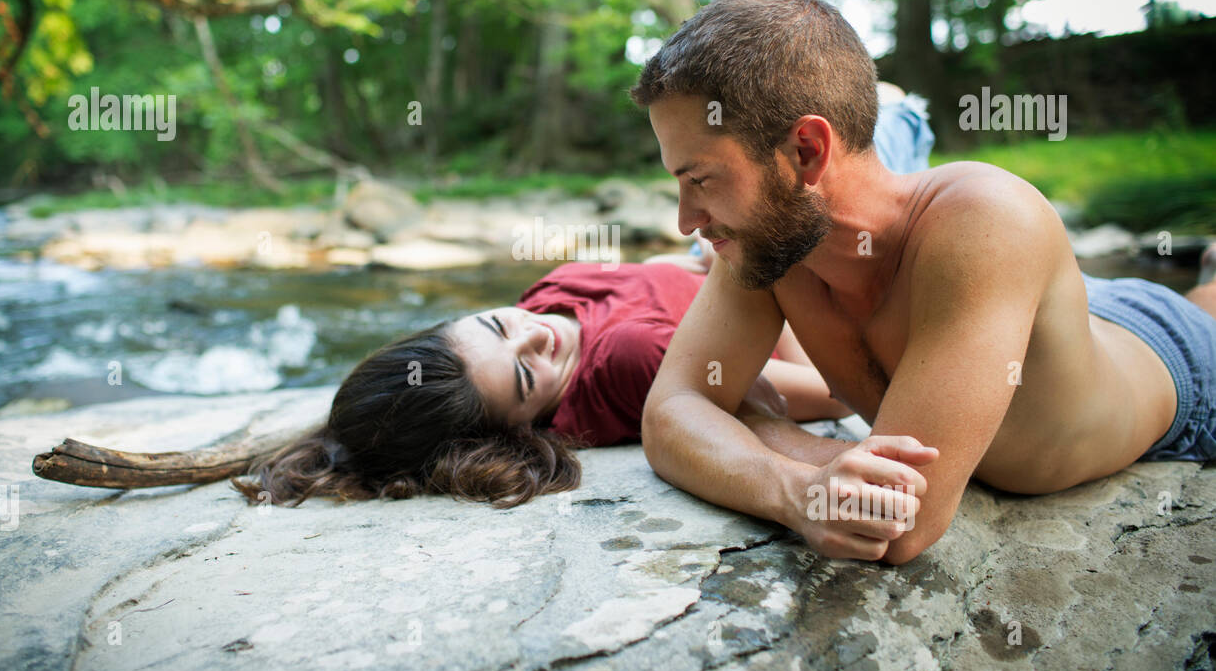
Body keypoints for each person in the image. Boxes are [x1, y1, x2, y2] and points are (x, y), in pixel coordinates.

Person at [631, 0, 1216, 566]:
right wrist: (795, 491)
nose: (686, 222)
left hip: (1169, 354)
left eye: (700, 180)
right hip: (1021, 312)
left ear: (806, 151)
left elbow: (899, 521)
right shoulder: (771, 244)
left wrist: (751, 420)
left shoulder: (986, 222)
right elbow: (668, 416)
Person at [233, 94, 940, 510]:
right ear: (519, 428)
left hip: (724, 250)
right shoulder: (628, 367)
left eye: (495, 326)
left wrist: (698, 253)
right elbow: (821, 390)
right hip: (789, 267)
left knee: (829, 120)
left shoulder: (546, 299)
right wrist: (770, 273)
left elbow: (648, 281)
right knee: (883, 132)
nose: (534, 334)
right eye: (523, 375)